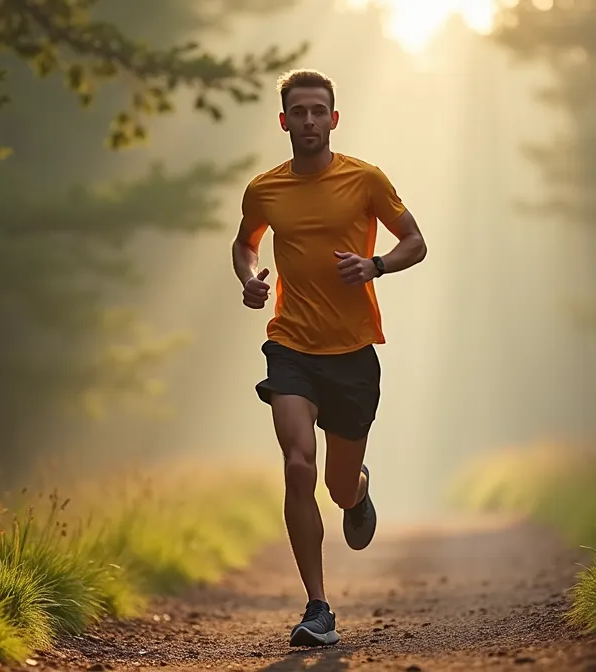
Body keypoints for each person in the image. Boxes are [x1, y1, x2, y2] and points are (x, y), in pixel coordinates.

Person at [230, 68, 428, 647]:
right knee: (298, 464)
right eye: (300, 111)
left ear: (333, 119)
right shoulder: (264, 189)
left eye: (320, 111)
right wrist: (249, 279)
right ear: (284, 120)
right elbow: (245, 243)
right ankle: (318, 607)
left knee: (337, 485)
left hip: (353, 353)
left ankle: (357, 491)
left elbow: (415, 240)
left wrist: (377, 266)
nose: (310, 120)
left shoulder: (365, 180)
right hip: (290, 344)